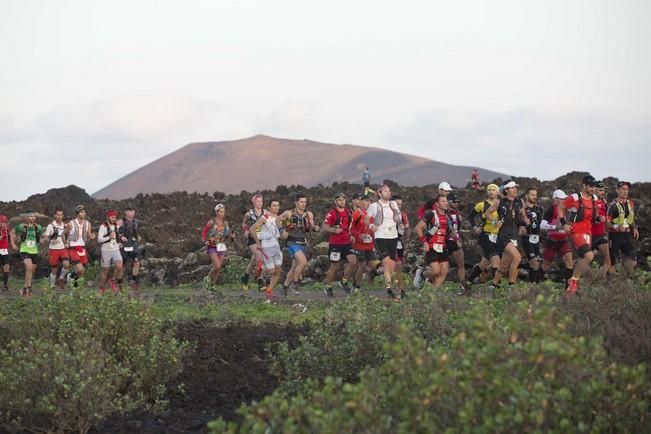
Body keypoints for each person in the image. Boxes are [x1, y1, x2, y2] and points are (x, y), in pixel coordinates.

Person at [558, 175, 599, 295]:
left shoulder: (595, 198)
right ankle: (573, 281)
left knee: (583, 258)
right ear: (584, 186)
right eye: (590, 186)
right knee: (589, 256)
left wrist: (598, 218)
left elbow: (591, 214)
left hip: (588, 231)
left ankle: (569, 291)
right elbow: (561, 207)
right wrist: (564, 224)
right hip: (576, 230)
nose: (592, 188)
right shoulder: (575, 198)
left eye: (594, 186)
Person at [367, 184, 401, 299]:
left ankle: (377, 273)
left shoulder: (393, 204)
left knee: (392, 264)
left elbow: (398, 218)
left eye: (389, 191)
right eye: (385, 191)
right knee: (386, 262)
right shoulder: (374, 206)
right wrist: (371, 225)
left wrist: (399, 219)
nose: (388, 193)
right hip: (380, 237)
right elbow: (366, 219)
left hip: (393, 236)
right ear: (379, 193)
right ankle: (389, 289)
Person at [280, 193, 319, 294]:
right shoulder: (289, 213)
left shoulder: (309, 214)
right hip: (292, 242)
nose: (303, 204)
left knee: (294, 269)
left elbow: (312, 226)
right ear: (296, 202)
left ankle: (284, 287)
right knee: (303, 262)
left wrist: (315, 228)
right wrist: (281, 231)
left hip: (303, 242)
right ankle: (295, 284)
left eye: (305, 202)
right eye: (301, 202)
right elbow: (277, 220)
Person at [490, 181, 525, 290]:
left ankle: (493, 285)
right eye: (512, 188)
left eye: (516, 188)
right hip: (504, 236)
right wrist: (495, 222)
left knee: (503, 266)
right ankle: (511, 285)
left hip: (515, 236)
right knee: (517, 258)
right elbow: (487, 213)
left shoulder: (520, 202)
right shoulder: (499, 202)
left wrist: (525, 221)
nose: (515, 190)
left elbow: (523, 216)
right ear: (506, 190)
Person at [414, 195, 455, 288]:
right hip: (431, 246)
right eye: (443, 201)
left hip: (443, 246)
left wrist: (453, 235)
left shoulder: (448, 217)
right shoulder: (431, 214)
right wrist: (424, 242)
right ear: (437, 204)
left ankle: (434, 292)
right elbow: (418, 228)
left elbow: (449, 231)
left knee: (444, 270)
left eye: (446, 201)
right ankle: (422, 274)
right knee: (436, 271)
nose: (446, 203)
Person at [322, 193, 357, 297]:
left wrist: (351, 235)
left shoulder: (348, 212)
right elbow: (325, 226)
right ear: (335, 201)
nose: (342, 202)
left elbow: (349, 226)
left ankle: (344, 281)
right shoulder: (332, 213)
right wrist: (334, 230)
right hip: (335, 244)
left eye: (343, 200)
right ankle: (328, 287)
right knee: (334, 267)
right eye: (339, 200)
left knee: (353, 262)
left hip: (347, 242)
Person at [250, 199, 284, 301]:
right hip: (267, 247)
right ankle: (260, 266)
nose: (276, 207)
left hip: (276, 246)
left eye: (278, 205)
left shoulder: (279, 218)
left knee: (278, 271)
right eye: (274, 205)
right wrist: (259, 244)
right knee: (271, 270)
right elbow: (252, 229)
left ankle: (269, 291)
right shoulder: (265, 217)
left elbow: (279, 233)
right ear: (269, 207)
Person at [467, 184, 501, 284]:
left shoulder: (501, 205)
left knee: (484, 263)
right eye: (489, 190)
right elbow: (470, 216)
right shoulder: (481, 205)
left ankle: (468, 282)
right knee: (496, 261)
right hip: (485, 235)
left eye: (493, 190)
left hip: (497, 237)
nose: (491, 191)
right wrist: (475, 227)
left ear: (497, 192)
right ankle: (497, 287)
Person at [540, 189, 574, 282]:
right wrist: (556, 227)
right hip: (552, 241)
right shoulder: (551, 209)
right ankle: (535, 282)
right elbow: (542, 225)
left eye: (564, 198)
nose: (564, 200)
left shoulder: (566, 209)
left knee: (570, 263)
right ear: (555, 199)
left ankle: (569, 288)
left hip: (563, 240)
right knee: (546, 265)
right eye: (561, 198)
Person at [606, 181, 639, 276]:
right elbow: (607, 223)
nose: (625, 192)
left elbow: (630, 218)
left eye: (627, 189)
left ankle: (624, 278)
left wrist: (635, 228)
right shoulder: (613, 206)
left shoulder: (630, 203)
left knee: (633, 261)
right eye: (623, 189)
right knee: (614, 263)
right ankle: (609, 282)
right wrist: (616, 227)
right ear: (617, 190)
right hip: (614, 237)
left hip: (626, 236)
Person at [10, 210, 44, 297]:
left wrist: (43, 239)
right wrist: (13, 244)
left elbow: (42, 237)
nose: (32, 218)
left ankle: (23, 289)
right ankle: (29, 288)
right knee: (29, 267)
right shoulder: (21, 226)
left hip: (34, 251)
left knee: (30, 271)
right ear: (26, 217)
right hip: (24, 249)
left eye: (33, 216)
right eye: (30, 216)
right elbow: (12, 232)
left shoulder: (38, 227)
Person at [201, 204, 234, 289]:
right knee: (217, 265)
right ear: (216, 212)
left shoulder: (225, 223)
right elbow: (204, 232)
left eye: (223, 212)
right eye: (220, 212)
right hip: (212, 245)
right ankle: (207, 278)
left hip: (221, 245)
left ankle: (213, 285)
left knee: (218, 268)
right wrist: (205, 241)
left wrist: (231, 236)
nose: (222, 213)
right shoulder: (212, 222)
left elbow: (227, 234)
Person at [350, 194, 378, 292]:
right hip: (358, 245)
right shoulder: (356, 214)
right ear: (361, 202)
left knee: (373, 266)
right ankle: (357, 286)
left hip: (369, 245)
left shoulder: (372, 215)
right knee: (362, 265)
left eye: (370, 201)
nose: (368, 203)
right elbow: (350, 229)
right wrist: (359, 235)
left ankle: (360, 280)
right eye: (366, 201)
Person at [66, 205, 95, 288]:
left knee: (83, 269)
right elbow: (64, 234)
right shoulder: (71, 223)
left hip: (82, 248)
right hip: (73, 248)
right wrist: (66, 242)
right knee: (79, 268)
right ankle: (72, 277)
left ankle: (73, 279)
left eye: (84, 212)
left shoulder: (88, 224)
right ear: (77, 213)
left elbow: (89, 235)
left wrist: (92, 236)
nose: (84, 214)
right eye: (82, 212)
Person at [241, 194, 266, 291]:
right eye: (258, 201)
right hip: (252, 239)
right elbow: (243, 223)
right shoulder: (249, 214)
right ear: (254, 202)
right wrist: (246, 230)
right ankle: (260, 282)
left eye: (261, 201)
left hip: (262, 238)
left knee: (253, 262)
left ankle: (245, 278)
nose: (260, 203)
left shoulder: (265, 213)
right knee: (260, 258)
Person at [446, 192, 469, 294]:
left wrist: (460, 239)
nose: (456, 203)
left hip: (456, 242)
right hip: (444, 242)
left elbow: (458, 229)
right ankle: (425, 276)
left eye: (457, 202)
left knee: (461, 264)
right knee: (442, 268)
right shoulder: (443, 212)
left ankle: (463, 287)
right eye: (453, 201)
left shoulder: (458, 214)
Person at [97, 210, 124, 294]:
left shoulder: (117, 226)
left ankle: (112, 281)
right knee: (106, 270)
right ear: (108, 217)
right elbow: (99, 239)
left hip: (115, 249)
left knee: (119, 266)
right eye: (112, 217)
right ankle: (101, 288)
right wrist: (109, 237)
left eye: (115, 217)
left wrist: (120, 241)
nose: (114, 219)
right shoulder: (103, 226)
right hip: (106, 251)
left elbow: (117, 236)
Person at [521, 188, 544, 282]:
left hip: (536, 238)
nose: (535, 197)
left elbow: (540, 223)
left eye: (535, 195)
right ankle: (534, 285)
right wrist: (521, 227)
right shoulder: (522, 208)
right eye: (532, 195)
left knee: (536, 264)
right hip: (526, 237)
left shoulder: (539, 208)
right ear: (527, 195)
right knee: (534, 262)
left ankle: (531, 284)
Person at [43, 208, 70, 290]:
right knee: (54, 269)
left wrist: (67, 242)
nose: (59, 216)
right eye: (58, 215)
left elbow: (67, 235)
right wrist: (50, 240)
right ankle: (52, 285)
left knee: (66, 264)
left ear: (63, 216)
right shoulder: (51, 226)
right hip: (53, 249)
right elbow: (45, 237)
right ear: (55, 215)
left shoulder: (65, 225)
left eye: (61, 215)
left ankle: (61, 278)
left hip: (62, 249)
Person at [119, 205, 142, 289]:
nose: (131, 213)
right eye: (129, 211)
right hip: (123, 245)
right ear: (126, 212)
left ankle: (133, 281)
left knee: (137, 262)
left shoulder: (136, 221)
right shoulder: (121, 222)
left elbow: (134, 231)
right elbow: (114, 231)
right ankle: (119, 283)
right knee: (122, 265)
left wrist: (138, 236)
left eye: (132, 211)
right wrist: (121, 237)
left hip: (133, 244)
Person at [591, 181, 611, 278]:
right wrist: (597, 220)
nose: (602, 192)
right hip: (590, 235)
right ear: (594, 190)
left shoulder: (603, 202)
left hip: (601, 234)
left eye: (604, 190)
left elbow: (606, 218)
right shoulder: (591, 201)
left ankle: (599, 279)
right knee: (586, 259)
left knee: (608, 259)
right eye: (600, 190)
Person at [393, 195, 410, 298]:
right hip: (388, 243)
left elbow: (407, 229)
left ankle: (401, 290)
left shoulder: (403, 215)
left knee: (398, 266)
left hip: (399, 243)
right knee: (397, 265)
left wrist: (406, 235)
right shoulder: (387, 215)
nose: (399, 206)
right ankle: (399, 290)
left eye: (400, 204)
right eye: (396, 204)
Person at [0, 215, 11, 291]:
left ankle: (5, 285)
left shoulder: (7, 230)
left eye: (5, 222)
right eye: (2, 222)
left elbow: (10, 237)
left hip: (5, 250)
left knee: (6, 266)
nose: (4, 223)